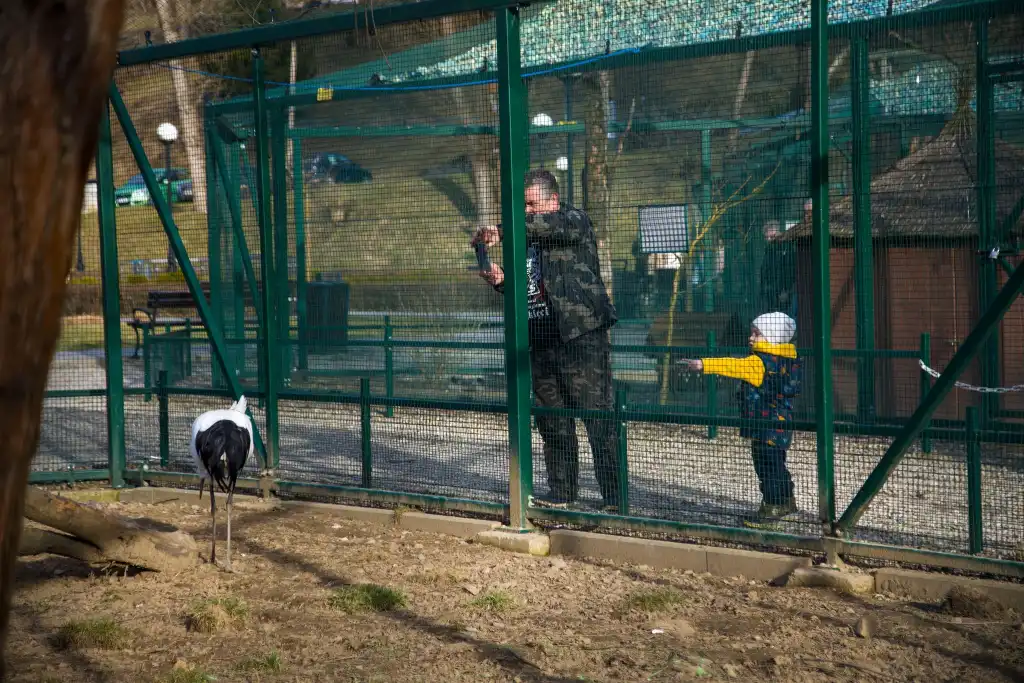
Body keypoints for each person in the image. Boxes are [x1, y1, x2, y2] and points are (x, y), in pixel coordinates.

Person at [472, 169, 620, 512]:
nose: (525, 211)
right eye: (521, 205)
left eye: (530, 204)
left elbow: (548, 226)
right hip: (538, 337)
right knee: (551, 419)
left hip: (579, 337)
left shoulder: (573, 220)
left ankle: (615, 498)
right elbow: (527, 288)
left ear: (552, 200)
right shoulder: (525, 236)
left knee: (597, 418)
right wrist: (501, 281)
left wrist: (503, 231)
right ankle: (563, 491)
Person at [680, 312, 802, 527]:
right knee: (777, 463)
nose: (751, 338)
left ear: (772, 337)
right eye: (752, 333)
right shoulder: (788, 361)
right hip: (782, 425)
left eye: (757, 334)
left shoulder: (758, 363)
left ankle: (771, 508)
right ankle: (786, 500)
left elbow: (732, 365)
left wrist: (703, 364)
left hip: (763, 425)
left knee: (766, 466)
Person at [759, 220, 797, 317]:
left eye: (772, 236)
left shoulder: (787, 246)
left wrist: (786, 290)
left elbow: (789, 270)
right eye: (766, 237)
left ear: (778, 233)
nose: (769, 239)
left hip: (782, 291)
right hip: (770, 291)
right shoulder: (769, 249)